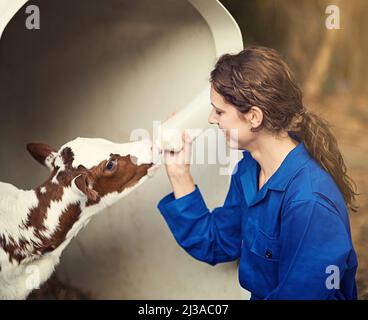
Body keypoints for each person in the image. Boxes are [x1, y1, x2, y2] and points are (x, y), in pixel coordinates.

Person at [157, 46, 358, 300]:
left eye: (219, 111)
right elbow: (217, 242)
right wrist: (178, 173)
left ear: (253, 117)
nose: (211, 118)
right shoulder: (249, 170)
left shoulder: (309, 201)